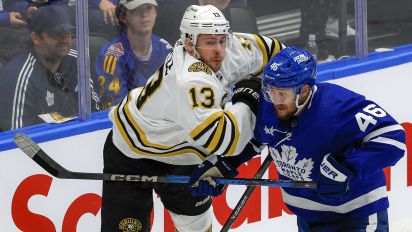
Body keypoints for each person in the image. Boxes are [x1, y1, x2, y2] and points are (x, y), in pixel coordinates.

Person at [101, 4, 285, 231]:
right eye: (210, 42)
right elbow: (226, 140)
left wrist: (272, 96)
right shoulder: (190, 78)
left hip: (185, 155)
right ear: (189, 44)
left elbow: (280, 57)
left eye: (222, 40)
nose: (219, 50)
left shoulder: (234, 48)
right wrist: (249, 98)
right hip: (131, 153)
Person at [189, 46, 406, 231]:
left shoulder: (337, 106)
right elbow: (257, 138)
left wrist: (346, 167)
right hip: (308, 218)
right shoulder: (269, 105)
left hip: (356, 214)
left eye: (283, 93)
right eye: (271, 91)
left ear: (303, 90)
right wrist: (222, 165)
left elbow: (393, 138)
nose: (276, 100)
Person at [0, 5, 100, 131]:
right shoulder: (19, 76)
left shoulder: (78, 61)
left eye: (68, 33)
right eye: (57, 34)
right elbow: (19, 138)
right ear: (36, 38)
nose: (65, 39)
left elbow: (96, 110)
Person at [94, 0, 172, 110]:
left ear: (155, 12)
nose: (144, 14)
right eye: (136, 10)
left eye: (148, 8)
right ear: (123, 17)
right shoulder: (112, 55)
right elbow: (116, 108)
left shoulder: (165, 49)